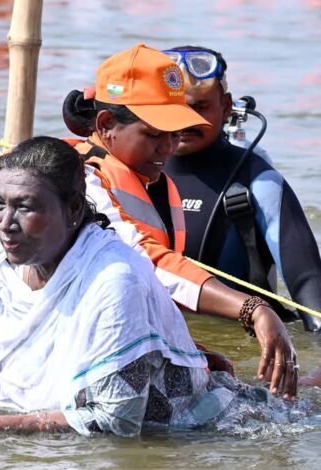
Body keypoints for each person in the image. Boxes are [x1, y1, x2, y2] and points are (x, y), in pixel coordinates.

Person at [0, 137, 248, 436]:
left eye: (24, 207)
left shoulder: (115, 279)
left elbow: (118, 418)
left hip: (202, 428)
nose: (4, 224)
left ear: (74, 208)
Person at [57, 43, 298, 399]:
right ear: (107, 125)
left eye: (174, 132)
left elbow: (149, 299)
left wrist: (191, 351)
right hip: (48, 357)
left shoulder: (154, 181)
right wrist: (253, 308)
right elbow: (148, 262)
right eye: (154, 134)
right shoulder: (79, 181)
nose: (168, 148)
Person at [161, 45, 321, 332]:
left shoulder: (259, 183)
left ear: (225, 108)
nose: (184, 120)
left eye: (199, 107)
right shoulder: (124, 173)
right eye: (174, 108)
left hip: (233, 341)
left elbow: (309, 286)